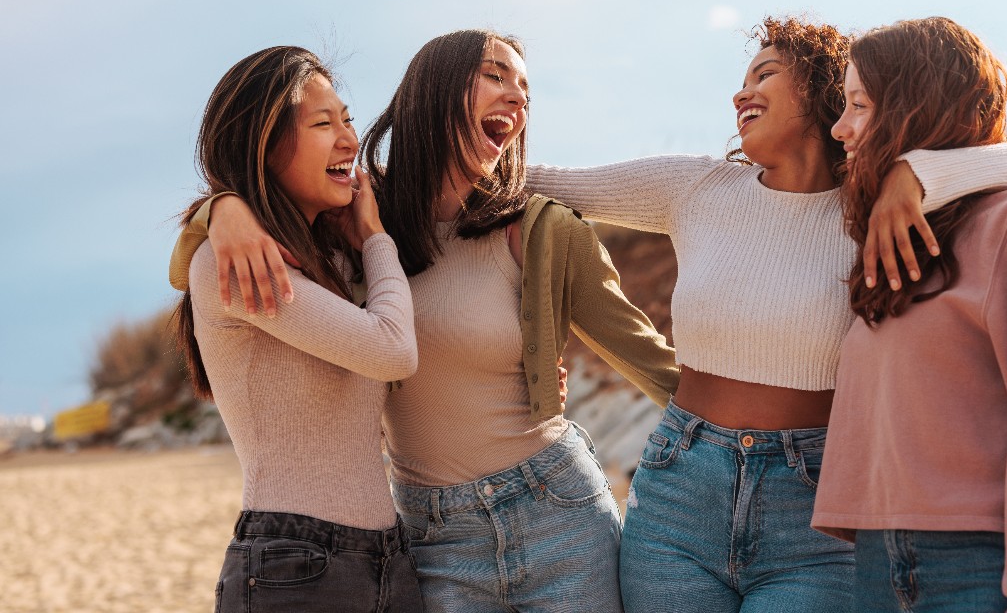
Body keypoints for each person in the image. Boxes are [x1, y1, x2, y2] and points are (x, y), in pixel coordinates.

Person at [520, 15, 1007, 612]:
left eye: (764, 74)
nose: (741, 93)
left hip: (813, 504)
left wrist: (914, 174)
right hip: (679, 489)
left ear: (821, 89)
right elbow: (546, 184)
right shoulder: (696, 186)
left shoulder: (876, 209)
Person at [169, 30, 679, 613]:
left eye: (525, 89)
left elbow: (648, 358)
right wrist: (219, 208)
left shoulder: (535, 232)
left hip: (544, 512)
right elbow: (219, 263)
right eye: (494, 75)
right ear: (434, 91)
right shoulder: (352, 228)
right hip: (425, 538)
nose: (516, 96)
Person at [812, 17, 1007, 613]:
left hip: (979, 566)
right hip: (872, 566)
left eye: (859, 106)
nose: (840, 127)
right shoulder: (897, 239)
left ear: (916, 109)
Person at [173, 46, 423, 612]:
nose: (348, 139)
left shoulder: (331, 258)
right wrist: (375, 238)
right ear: (262, 144)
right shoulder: (233, 261)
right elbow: (392, 350)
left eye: (347, 119)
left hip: (389, 558)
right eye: (322, 123)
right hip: (294, 565)